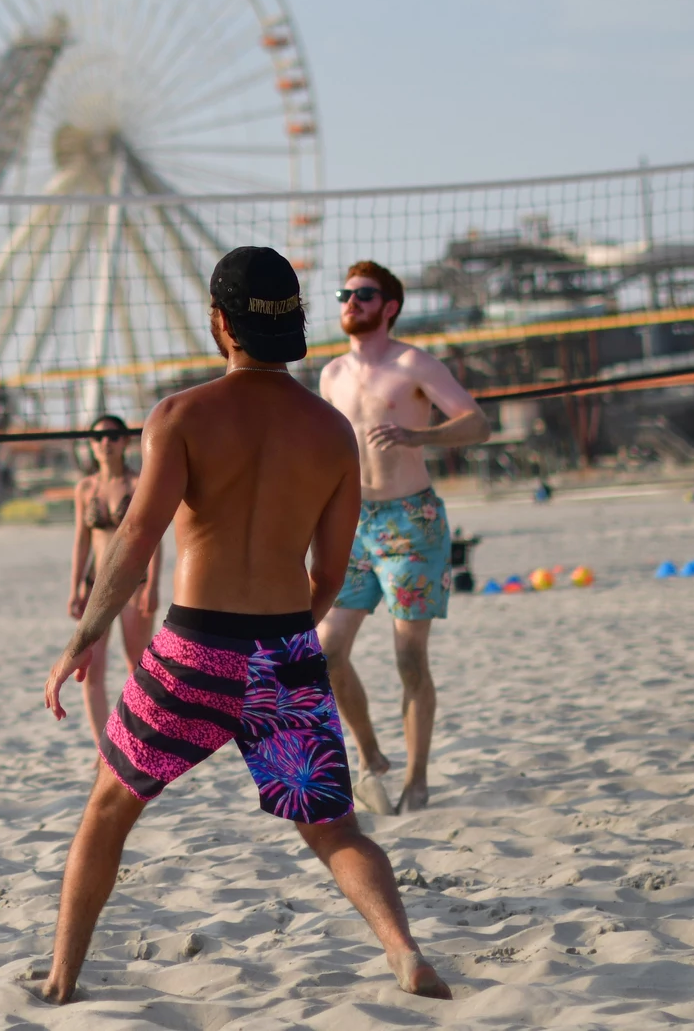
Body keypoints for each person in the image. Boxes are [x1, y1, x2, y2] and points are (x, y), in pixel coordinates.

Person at [39, 248, 449, 1005]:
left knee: (108, 808)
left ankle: (63, 977)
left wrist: (82, 637)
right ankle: (404, 950)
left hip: (194, 648)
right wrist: (289, 637)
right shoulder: (330, 432)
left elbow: (133, 544)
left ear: (220, 322)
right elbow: (329, 574)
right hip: (285, 649)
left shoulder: (182, 416)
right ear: (292, 324)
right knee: (334, 829)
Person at [313, 262, 488, 816]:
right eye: (345, 294)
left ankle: (416, 779)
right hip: (352, 524)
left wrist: (418, 434)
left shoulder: (414, 363)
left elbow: (476, 423)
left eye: (362, 295)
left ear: (389, 306)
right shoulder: (331, 374)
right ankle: (371, 756)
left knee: (408, 657)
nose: (350, 302)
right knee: (325, 652)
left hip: (412, 523)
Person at [66, 412, 162, 756]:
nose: (105, 443)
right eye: (97, 438)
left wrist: (152, 586)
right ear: (90, 446)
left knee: (138, 666)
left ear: (124, 442)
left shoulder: (139, 483)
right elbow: (81, 540)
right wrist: (75, 586)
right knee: (89, 668)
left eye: (112, 437)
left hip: (134, 582)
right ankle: (103, 750)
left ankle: (142, 744)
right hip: (96, 586)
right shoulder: (85, 488)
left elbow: (152, 537)